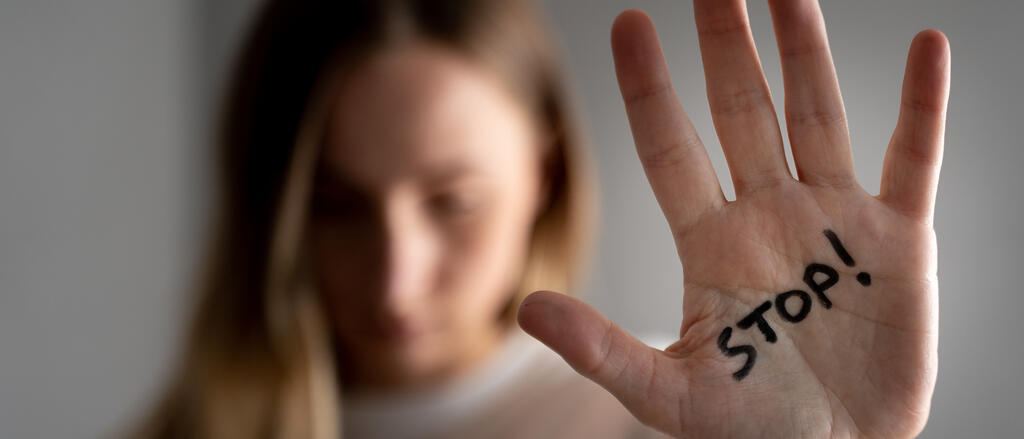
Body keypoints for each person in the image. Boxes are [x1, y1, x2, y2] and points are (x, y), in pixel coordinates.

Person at [133, 0, 949, 437]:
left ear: (543, 174)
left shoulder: (675, 422)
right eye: (337, 207)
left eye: (451, 201)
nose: (396, 276)